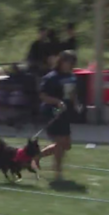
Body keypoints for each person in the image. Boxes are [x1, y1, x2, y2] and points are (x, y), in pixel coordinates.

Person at [35, 50, 80, 181]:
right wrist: (57, 102)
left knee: (67, 145)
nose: (70, 65)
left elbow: (72, 93)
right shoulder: (51, 77)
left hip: (65, 113)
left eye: (73, 62)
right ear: (61, 61)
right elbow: (43, 96)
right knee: (60, 143)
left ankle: (37, 156)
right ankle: (57, 173)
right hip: (52, 112)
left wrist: (76, 103)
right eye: (68, 62)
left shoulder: (72, 76)